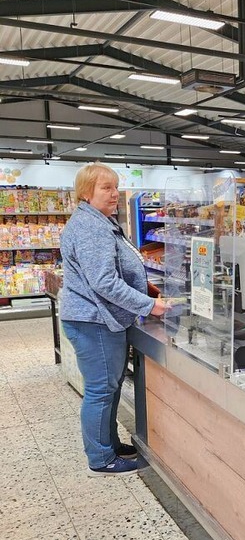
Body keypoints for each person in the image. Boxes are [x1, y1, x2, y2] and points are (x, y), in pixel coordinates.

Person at [60, 163, 169, 476]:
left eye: (116, 186)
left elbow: (115, 269)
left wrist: (144, 287)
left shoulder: (97, 221)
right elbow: (104, 282)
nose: (115, 193)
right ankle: (101, 458)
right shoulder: (91, 227)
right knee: (100, 390)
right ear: (86, 192)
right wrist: (149, 305)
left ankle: (109, 444)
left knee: (109, 387)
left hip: (98, 319)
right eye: (106, 188)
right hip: (94, 322)